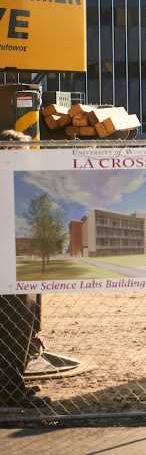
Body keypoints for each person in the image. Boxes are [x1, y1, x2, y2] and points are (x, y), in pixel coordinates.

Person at [0, 129, 48, 408]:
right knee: (13, 325)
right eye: (22, 153)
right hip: (8, 268)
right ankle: (9, 391)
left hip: (23, 266)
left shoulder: (22, 183)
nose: (27, 159)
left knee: (23, 326)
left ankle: (13, 384)